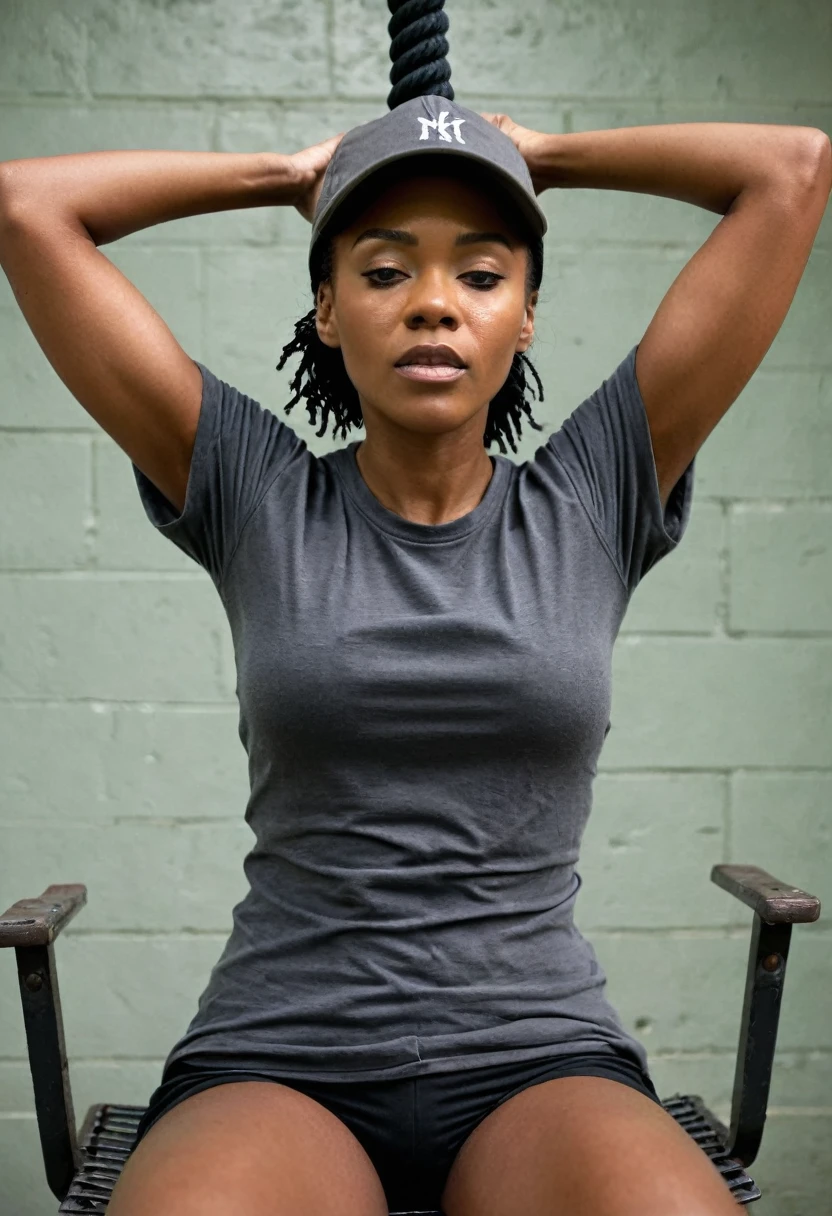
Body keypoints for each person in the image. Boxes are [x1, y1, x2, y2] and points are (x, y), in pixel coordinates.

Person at [0, 93, 828, 1216]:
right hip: (284, 1053)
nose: (433, 303)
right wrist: (289, 177)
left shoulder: (595, 493)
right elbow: (27, 205)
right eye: (384, 271)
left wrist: (532, 155)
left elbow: (791, 165)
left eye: (481, 276)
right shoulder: (256, 493)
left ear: (526, 315)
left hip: (536, 1055)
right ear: (327, 309)